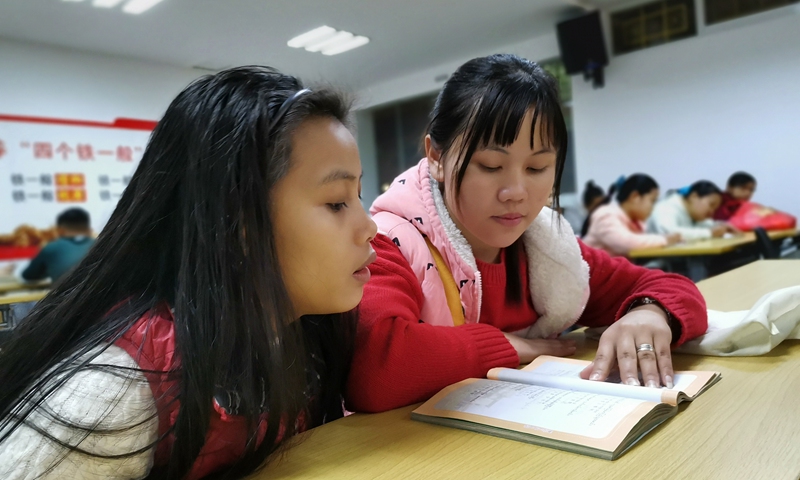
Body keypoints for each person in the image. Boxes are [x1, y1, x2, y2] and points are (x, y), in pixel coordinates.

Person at [0, 66, 377, 479]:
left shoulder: (304, 334)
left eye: (359, 195)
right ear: (236, 222)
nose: (370, 226)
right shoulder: (119, 390)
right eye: (337, 202)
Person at [346, 54, 708, 414]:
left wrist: (650, 313)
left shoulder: (547, 250)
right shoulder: (387, 245)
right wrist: (501, 346)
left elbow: (672, 287)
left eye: (537, 167)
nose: (516, 192)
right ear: (436, 158)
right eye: (491, 166)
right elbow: (374, 371)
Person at [583, 174, 680, 256]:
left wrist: (666, 238)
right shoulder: (606, 215)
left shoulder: (636, 221)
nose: (653, 207)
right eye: (652, 201)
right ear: (635, 197)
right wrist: (664, 240)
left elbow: (641, 241)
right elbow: (625, 243)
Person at [19, 208, 94, 283]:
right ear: (87, 227)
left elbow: (29, 275)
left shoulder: (50, 248)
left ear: (59, 229)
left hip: (65, 290)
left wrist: (49, 270)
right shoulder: (97, 244)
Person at [648, 181, 738, 241]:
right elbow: (670, 233)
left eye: (715, 209)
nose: (712, 212)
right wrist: (709, 233)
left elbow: (701, 226)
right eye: (711, 205)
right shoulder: (666, 207)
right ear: (694, 196)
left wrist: (721, 226)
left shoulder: (691, 213)